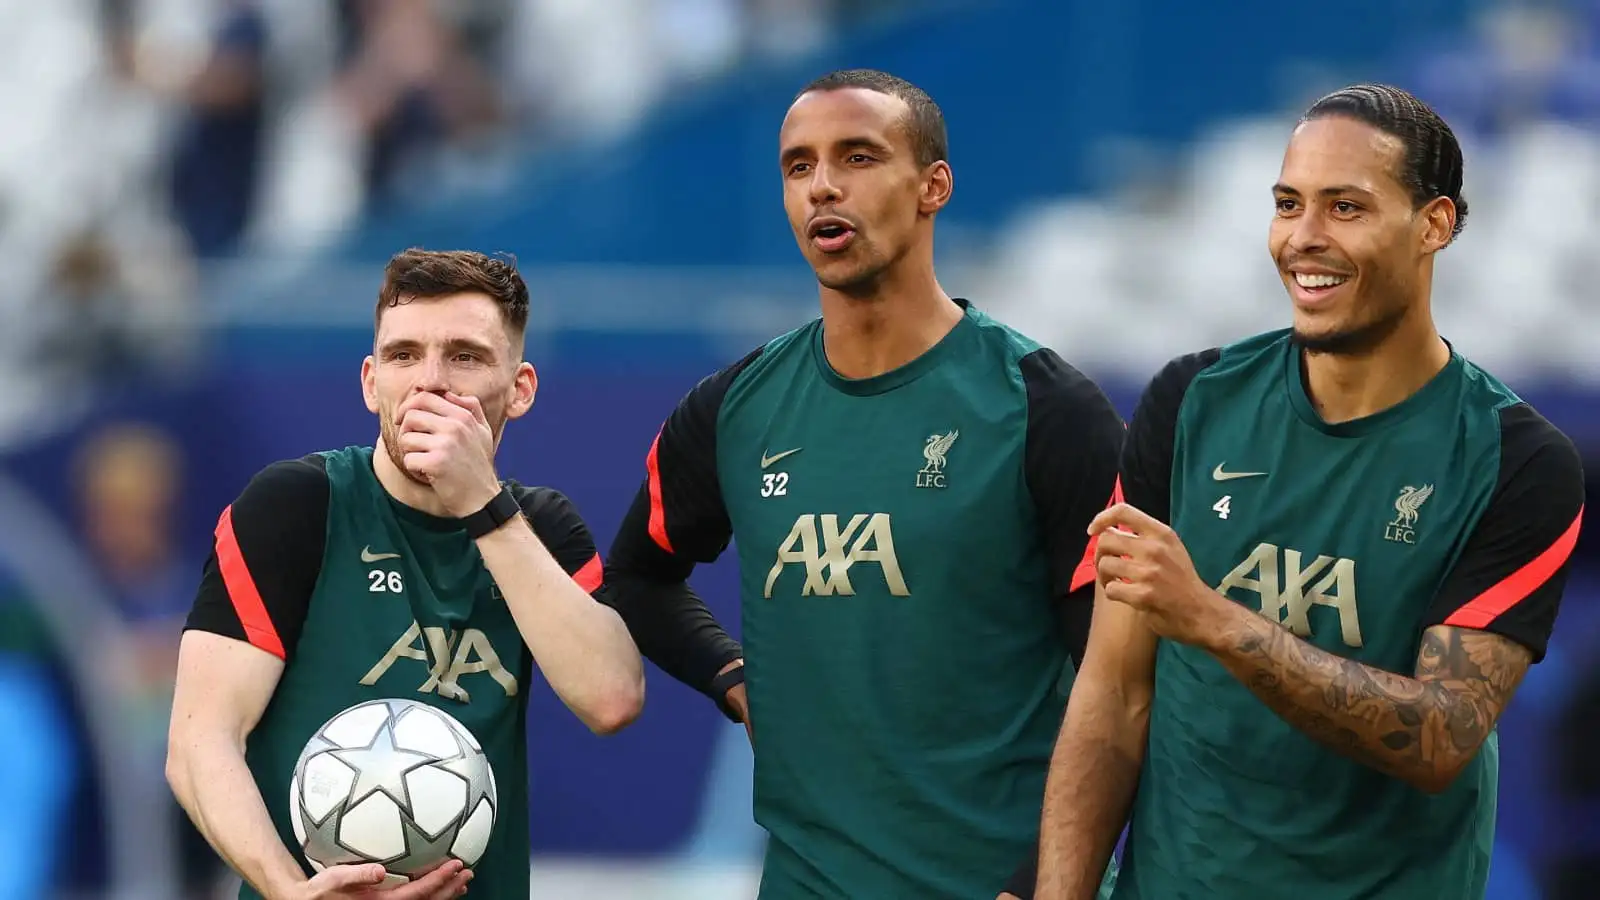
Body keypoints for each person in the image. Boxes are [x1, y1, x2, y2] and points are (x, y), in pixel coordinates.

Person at [1033, 83, 1587, 900]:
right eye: (1288, 204)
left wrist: (1215, 620)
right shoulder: (1191, 401)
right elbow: (1114, 695)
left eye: (1346, 207)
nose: (1304, 238)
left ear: (1434, 224)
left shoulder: (1517, 461)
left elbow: (1439, 736)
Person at [604, 69, 1124, 900]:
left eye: (858, 156)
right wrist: (733, 681)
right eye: (798, 166)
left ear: (933, 186)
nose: (824, 187)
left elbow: (1123, 688)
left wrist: (1040, 884)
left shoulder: (1045, 408)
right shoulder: (735, 409)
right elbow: (635, 575)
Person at [166, 249, 645, 900]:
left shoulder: (541, 529)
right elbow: (199, 742)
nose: (430, 382)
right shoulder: (296, 505)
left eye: (466, 357)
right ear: (370, 382)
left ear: (521, 388)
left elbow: (612, 698)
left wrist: (482, 504)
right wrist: (289, 891)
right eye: (403, 355)